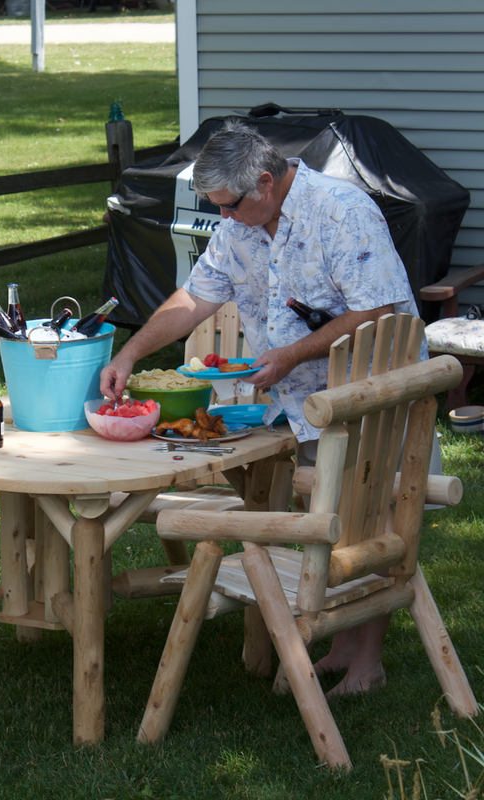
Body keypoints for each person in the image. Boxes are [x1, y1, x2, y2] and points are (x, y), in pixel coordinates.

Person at [99, 118, 426, 697]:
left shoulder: (341, 212)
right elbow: (194, 299)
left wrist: (287, 356)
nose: (222, 218)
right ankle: (344, 644)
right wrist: (129, 352)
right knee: (330, 518)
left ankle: (368, 661)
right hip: (307, 401)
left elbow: (376, 310)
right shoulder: (238, 225)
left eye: (228, 205)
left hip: (374, 390)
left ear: (267, 183)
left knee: (370, 519)